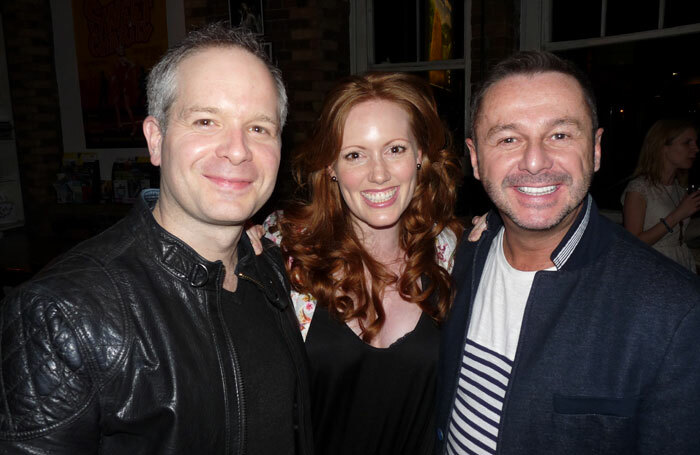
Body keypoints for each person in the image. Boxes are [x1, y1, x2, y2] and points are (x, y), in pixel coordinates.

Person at [0, 23, 312, 454]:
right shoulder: (63, 313)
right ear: (156, 138)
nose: (238, 150)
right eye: (206, 121)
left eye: (259, 128)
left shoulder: (268, 268)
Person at [435, 51, 700, 454]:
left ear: (595, 149)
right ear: (475, 158)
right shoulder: (461, 257)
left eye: (560, 135)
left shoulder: (675, 312)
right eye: (508, 138)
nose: (535, 161)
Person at [262, 72, 464, 454]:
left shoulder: (455, 258)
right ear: (330, 168)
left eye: (396, 149)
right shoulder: (283, 263)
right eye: (355, 154)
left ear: (420, 156)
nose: (379, 174)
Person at [621, 118, 700, 272]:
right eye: (687, 143)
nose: (696, 149)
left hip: (681, 263)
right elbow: (633, 243)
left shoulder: (679, 188)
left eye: (695, 142)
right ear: (663, 146)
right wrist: (679, 214)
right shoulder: (639, 188)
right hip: (653, 267)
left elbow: (676, 235)